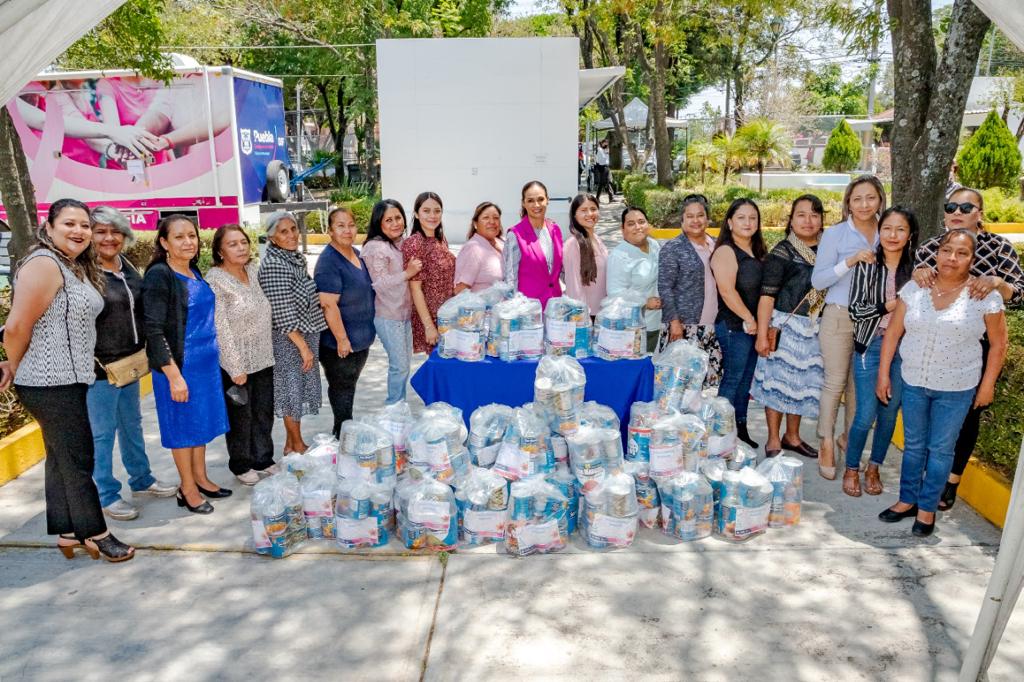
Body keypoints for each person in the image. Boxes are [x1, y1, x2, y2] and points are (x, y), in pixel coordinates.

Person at [4, 199, 134, 561]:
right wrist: (12, 366)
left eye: (84, 225)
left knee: (61, 457)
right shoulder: (44, 264)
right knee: (79, 458)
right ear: (49, 228)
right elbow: (16, 326)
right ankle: (97, 533)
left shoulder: (70, 265)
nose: (79, 231)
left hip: (68, 378)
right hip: (47, 381)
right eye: (69, 224)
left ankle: (66, 532)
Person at [877, 229, 1007, 537]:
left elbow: (999, 345)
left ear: (972, 259)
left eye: (962, 253)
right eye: (947, 250)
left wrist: (987, 386)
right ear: (937, 252)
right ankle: (907, 500)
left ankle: (927, 507)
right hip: (914, 381)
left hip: (957, 386)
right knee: (914, 446)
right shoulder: (916, 287)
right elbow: (893, 333)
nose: (952, 258)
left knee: (940, 449)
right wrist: (883, 374)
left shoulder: (984, 296)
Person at [912, 187, 1024, 510]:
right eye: (951, 206)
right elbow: (919, 294)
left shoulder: (1000, 248)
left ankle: (951, 482)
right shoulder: (931, 248)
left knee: (969, 415)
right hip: (938, 344)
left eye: (966, 206)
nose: (957, 211)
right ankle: (928, 477)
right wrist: (920, 275)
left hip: (980, 343)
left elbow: (1019, 293)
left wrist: (997, 283)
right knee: (932, 416)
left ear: (980, 213)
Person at [89, 206, 176, 520]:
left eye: (115, 232)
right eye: (100, 231)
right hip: (98, 369)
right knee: (102, 434)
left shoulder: (125, 266)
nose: (109, 238)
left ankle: (142, 480)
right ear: (89, 235)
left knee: (131, 426)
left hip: (130, 363)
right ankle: (106, 495)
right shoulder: (83, 272)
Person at [143, 215, 231, 515]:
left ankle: (201, 477)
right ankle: (188, 489)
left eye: (191, 236)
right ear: (164, 242)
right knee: (183, 429)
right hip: (180, 367)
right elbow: (153, 330)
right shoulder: (160, 275)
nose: (187, 242)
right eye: (179, 237)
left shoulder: (193, 270)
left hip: (205, 365)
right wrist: (173, 375)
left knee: (200, 425)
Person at [810, 174, 886, 479]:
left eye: (870, 197)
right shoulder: (836, 234)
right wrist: (851, 261)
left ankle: (849, 439)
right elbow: (818, 280)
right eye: (857, 199)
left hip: (876, 320)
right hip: (840, 315)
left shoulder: (889, 230)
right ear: (848, 203)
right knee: (835, 382)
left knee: (860, 387)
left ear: (880, 199)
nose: (864, 204)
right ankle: (826, 441)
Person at [844, 207, 918, 497]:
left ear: (910, 234)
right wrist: (891, 305)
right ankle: (852, 467)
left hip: (905, 349)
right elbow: (857, 310)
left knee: (889, 414)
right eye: (887, 228)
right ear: (879, 231)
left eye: (900, 229)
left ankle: (873, 467)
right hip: (870, 345)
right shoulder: (867, 264)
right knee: (865, 414)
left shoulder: (916, 271)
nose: (892, 235)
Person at [751, 195, 827, 459]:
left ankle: (792, 437)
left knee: (801, 386)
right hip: (786, 328)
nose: (808, 221)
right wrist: (762, 335)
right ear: (791, 220)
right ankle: (773, 438)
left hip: (816, 327)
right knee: (777, 384)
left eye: (814, 215)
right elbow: (767, 296)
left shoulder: (829, 251)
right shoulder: (782, 252)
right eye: (802, 215)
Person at [207, 224, 276, 486]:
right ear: (220, 251)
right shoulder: (216, 280)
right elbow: (220, 327)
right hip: (235, 362)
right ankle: (241, 463)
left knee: (263, 412)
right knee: (241, 417)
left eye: (243, 242)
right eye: (232, 244)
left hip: (263, 357)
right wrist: (235, 367)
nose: (241, 247)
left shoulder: (252, 270)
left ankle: (263, 459)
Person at [258, 210, 328, 455]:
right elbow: (282, 312)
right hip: (289, 339)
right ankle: (297, 444)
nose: (291, 235)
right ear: (272, 238)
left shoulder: (293, 259)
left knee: (297, 390)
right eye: (283, 232)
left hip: (304, 334)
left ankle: (291, 444)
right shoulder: (274, 265)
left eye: (293, 229)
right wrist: (304, 347)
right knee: (290, 391)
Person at [315, 207, 376, 436]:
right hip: (339, 344)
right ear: (330, 231)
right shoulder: (329, 262)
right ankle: (342, 435)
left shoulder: (357, 254)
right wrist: (342, 339)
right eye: (340, 226)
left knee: (349, 387)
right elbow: (328, 305)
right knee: (342, 389)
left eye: (350, 224)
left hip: (360, 341)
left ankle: (345, 432)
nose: (347, 230)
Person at [711, 199, 767, 450]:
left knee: (746, 379)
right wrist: (749, 318)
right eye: (741, 217)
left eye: (753, 217)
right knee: (733, 378)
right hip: (735, 325)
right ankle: (719, 431)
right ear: (730, 222)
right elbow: (726, 290)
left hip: (753, 327)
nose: (748, 222)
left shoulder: (759, 250)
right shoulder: (726, 251)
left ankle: (740, 428)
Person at [657, 193, 723, 386]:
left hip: (713, 326)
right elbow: (665, 287)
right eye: (690, 216)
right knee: (680, 385)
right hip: (685, 327)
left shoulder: (717, 244)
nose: (696, 220)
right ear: (682, 220)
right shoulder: (673, 248)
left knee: (708, 384)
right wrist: (674, 322)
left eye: (700, 215)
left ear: (708, 218)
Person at [362, 199, 421, 404]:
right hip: (388, 317)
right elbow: (380, 283)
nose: (396, 223)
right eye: (389, 220)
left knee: (404, 364)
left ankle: (398, 408)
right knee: (400, 366)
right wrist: (408, 273)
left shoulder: (397, 244)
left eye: (398, 218)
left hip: (403, 315)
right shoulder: (376, 247)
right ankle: (394, 409)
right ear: (379, 223)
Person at [402, 192, 456, 354]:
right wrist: (429, 326)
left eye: (437, 211)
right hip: (430, 318)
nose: (432, 215)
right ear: (417, 214)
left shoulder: (441, 239)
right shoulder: (415, 243)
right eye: (426, 211)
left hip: (447, 315)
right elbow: (415, 289)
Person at [607, 206, 661, 352]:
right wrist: (644, 303)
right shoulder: (619, 256)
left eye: (641, 222)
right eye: (631, 224)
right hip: (632, 328)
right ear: (622, 229)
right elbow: (615, 295)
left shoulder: (654, 245)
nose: (638, 227)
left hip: (657, 322)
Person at [504, 180, 564, 310]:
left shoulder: (555, 229)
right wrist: (514, 311)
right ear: (523, 203)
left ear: (547, 200)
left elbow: (560, 270)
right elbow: (510, 279)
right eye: (530, 200)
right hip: (528, 311)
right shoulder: (515, 235)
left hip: (555, 307)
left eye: (540, 199)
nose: (536, 205)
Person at [562, 193, 608, 317]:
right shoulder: (573, 244)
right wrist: (581, 319)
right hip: (585, 316)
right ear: (574, 215)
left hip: (602, 313)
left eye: (593, 209)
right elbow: (574, 287)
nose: (590, 214)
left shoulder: (597, 239)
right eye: (583, 210)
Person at [454, 202, 504, 294]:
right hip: (483, 307)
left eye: (496, 218)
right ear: (475, 224)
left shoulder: (502, 243)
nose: (492, 222)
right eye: (486, 217)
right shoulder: (473, 249)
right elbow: (460, 290)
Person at [594, 138, 612, 204]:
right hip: (603, 167)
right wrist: (606, 153)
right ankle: (610, 197)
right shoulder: (600, 150)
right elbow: (602, 159)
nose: (606, 144)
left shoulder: (602, 149)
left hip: (604, 167)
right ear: (603, 143)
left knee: (605, 182)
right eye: (606, 143)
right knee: (604, 183)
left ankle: (610, 196)